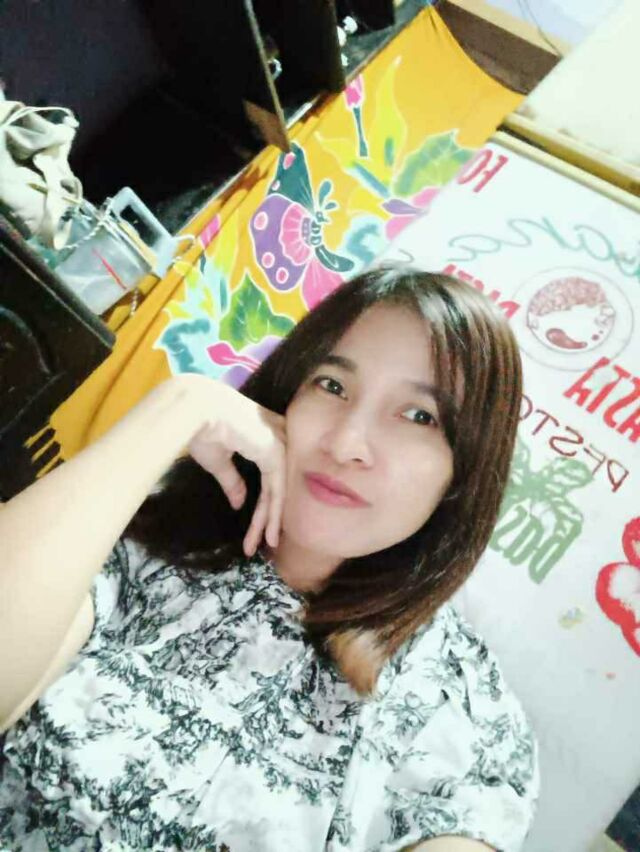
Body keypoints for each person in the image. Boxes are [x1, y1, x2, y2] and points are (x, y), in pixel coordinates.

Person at [0, 268, 540, 851]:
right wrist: (180, 407)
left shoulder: (456, 703)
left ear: (464, 472)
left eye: (419, 416)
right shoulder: (151, 544)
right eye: (332, 385)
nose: (346, 444)